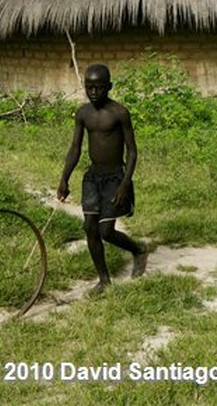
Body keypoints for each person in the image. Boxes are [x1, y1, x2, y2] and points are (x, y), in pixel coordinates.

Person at [57, 64, 148, 292]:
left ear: (109, 87)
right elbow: (75, 148)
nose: (94, 92)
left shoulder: (119, 113)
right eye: (90, 88)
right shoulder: (83, 114)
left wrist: (124, 184)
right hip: (93, 178)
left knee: (106, 232)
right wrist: (64, 178)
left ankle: (137, 250)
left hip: (115, 179)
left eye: (99, 88)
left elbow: (132, 151)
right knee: (90, 227)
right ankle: (104, 279)